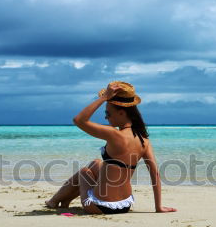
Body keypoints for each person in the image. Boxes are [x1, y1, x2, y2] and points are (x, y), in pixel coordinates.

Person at [44, 81, 177, 215]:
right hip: (124, 205)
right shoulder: (144, 140)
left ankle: (54, 201)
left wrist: (103, 98)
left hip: (99, 206)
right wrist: (158, 207)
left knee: (84, 172)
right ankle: (63, 201)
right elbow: (155, 174)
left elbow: (79, 120)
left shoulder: (114, 134)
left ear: (121, 113)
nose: (106, 117)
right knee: (96, 163)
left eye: (108, 114)